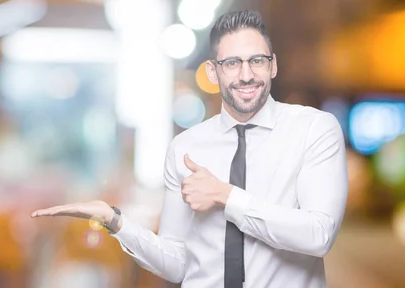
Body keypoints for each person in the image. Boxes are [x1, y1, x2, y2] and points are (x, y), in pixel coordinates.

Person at [31, 10, 348, 288]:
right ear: (213, 72)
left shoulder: (313, 129)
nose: (246, 74)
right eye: (232, 63)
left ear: (273, 66)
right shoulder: (186, 147)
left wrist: (225, 196)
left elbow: (318, 235)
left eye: (257, 61)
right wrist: (115, 221)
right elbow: (176, 263)